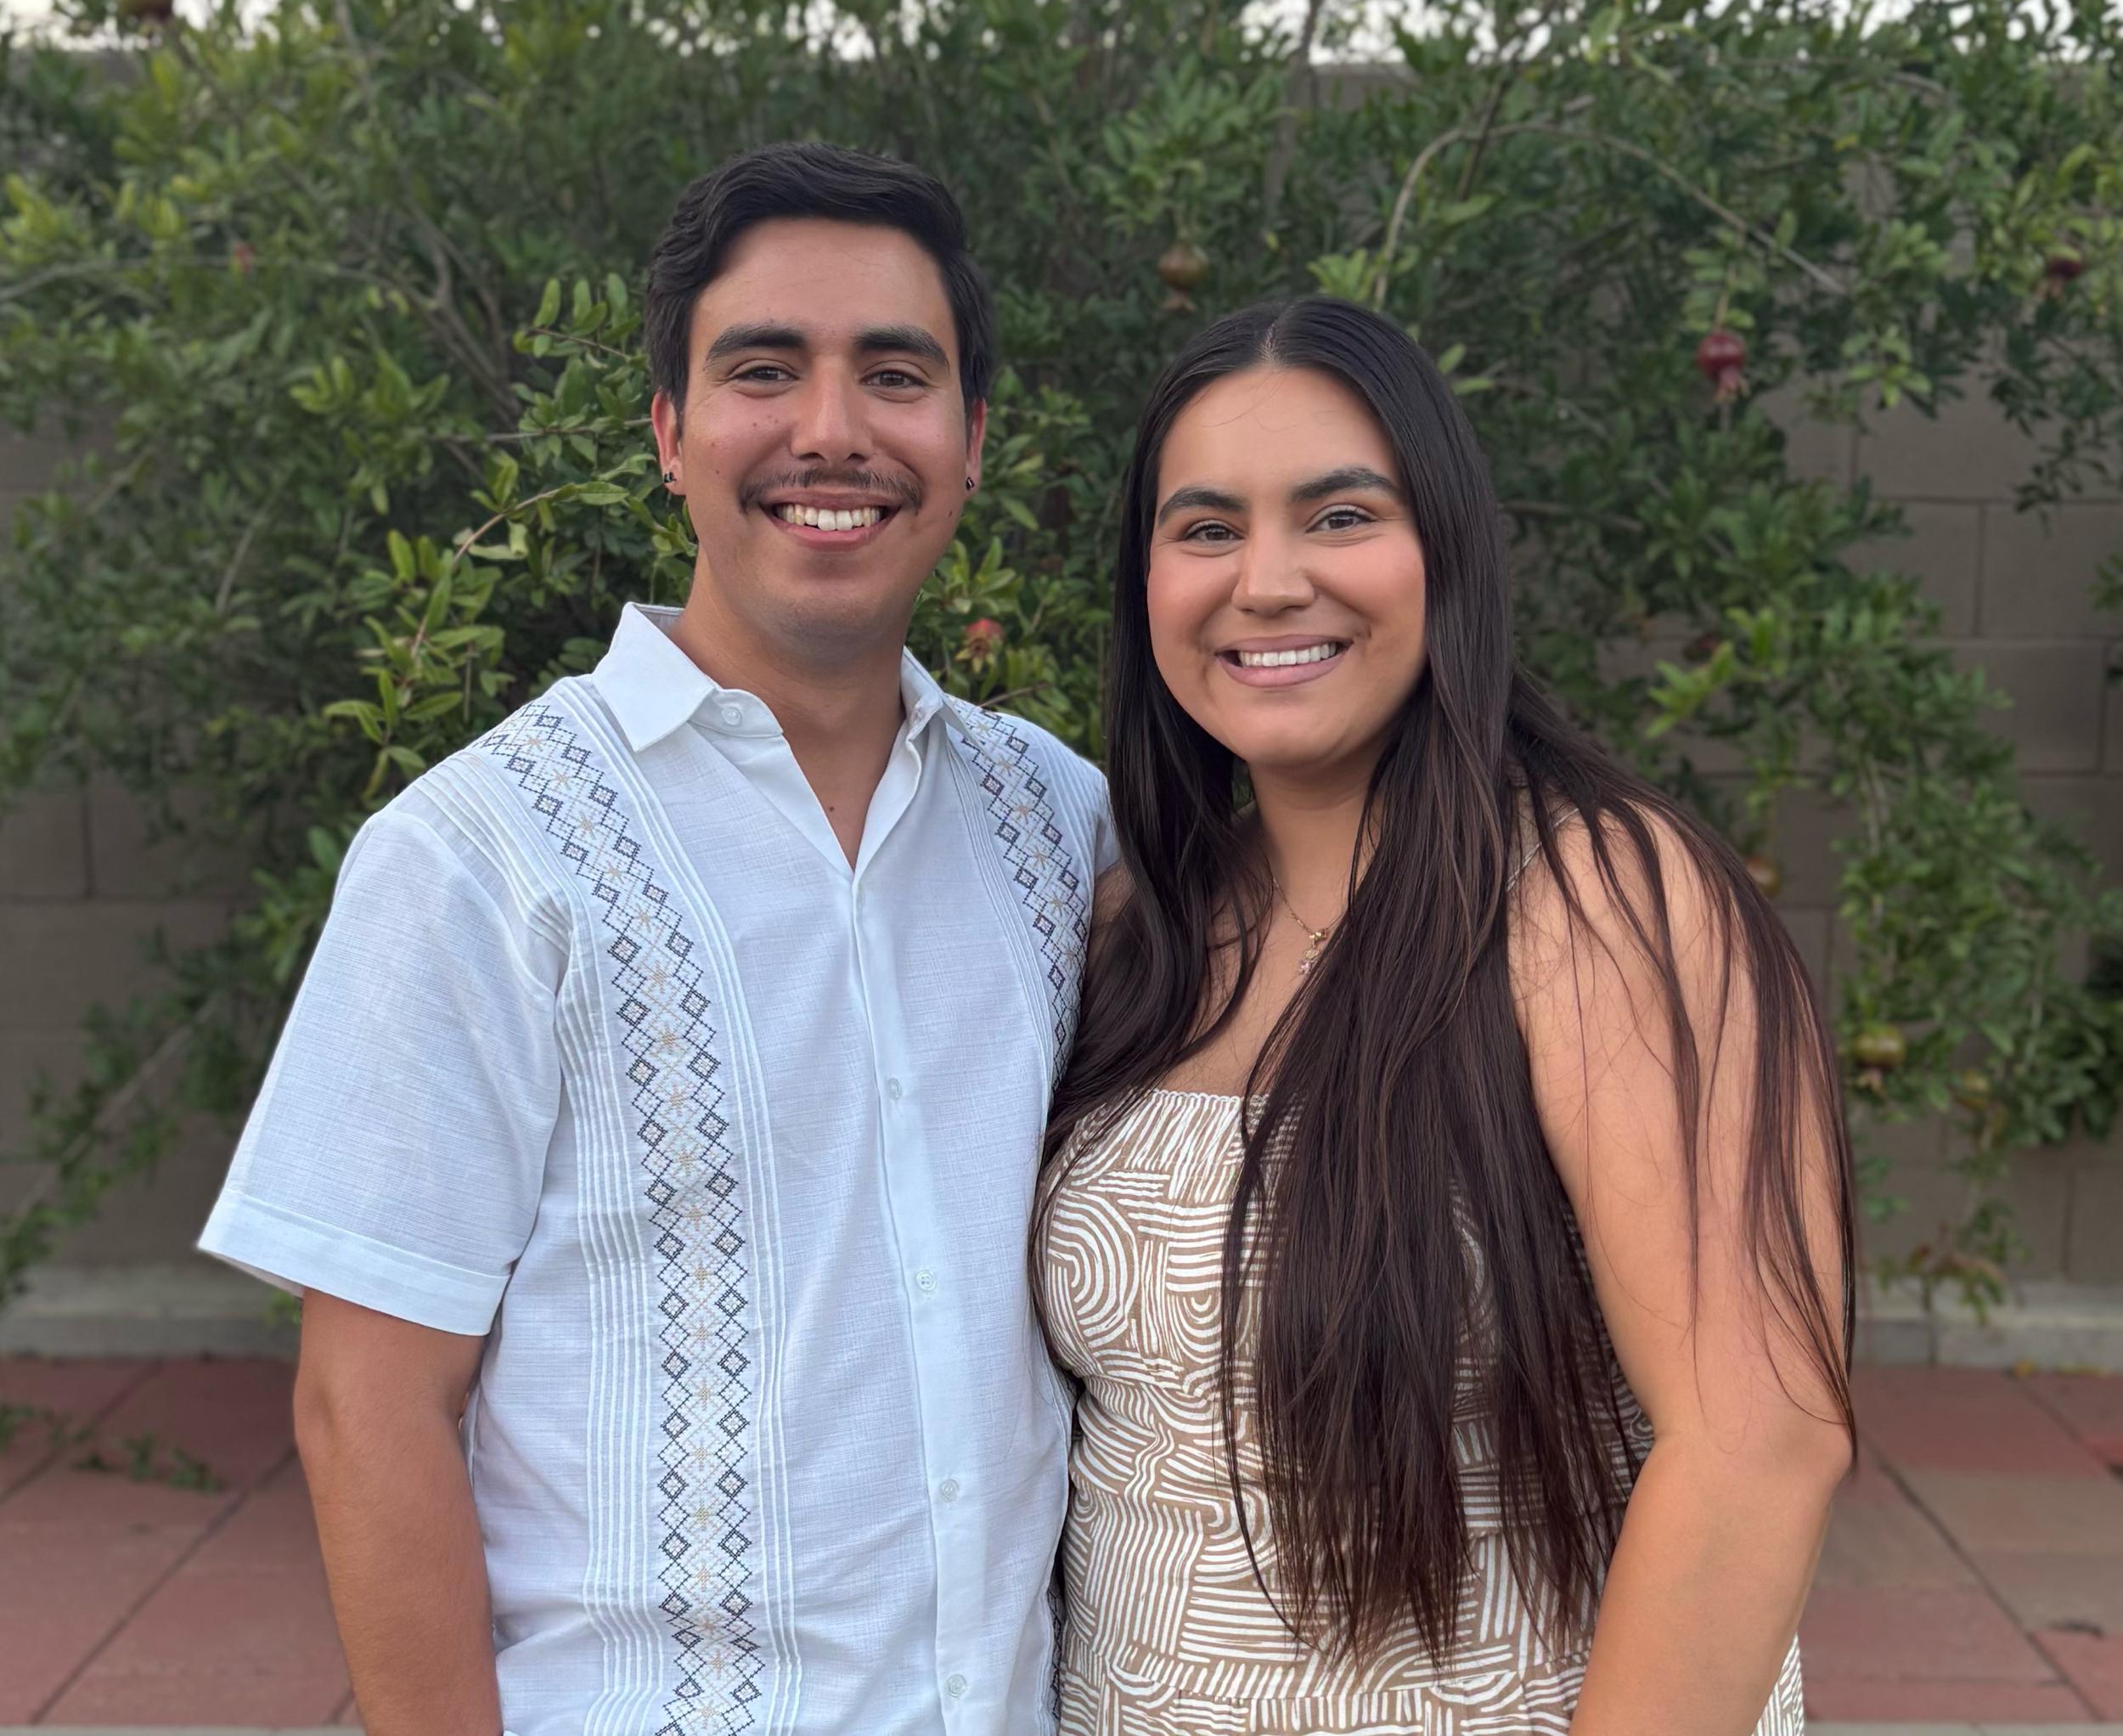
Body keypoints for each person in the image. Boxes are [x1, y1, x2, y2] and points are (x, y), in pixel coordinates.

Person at [200, 142, 1111, 1736]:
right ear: (671, 435)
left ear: (971, 441)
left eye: (895, 374)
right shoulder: (482, 857)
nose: (832, 428)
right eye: (764, 369)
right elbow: (368, 1409)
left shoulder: (1061, 824)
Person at [1036, 296, 1854, 1736]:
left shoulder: (1592, 901)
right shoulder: (1132, 931)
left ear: (1448, 552)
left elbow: (1757, 1448)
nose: (1267, 582)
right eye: (1207, 528)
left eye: (1341, 516)